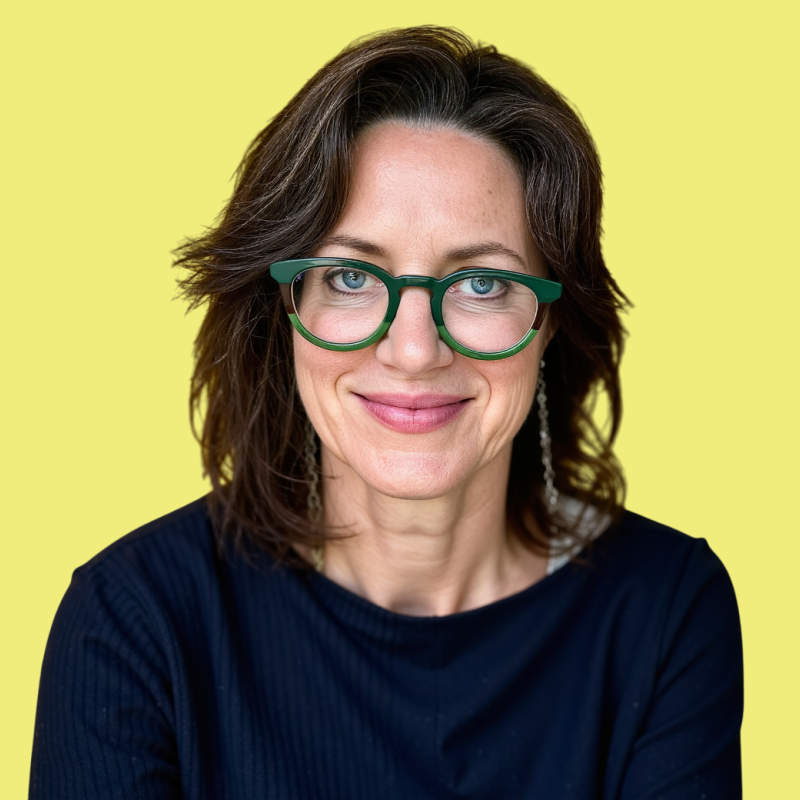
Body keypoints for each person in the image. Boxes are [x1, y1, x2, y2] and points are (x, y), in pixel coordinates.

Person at [30, 26, 743, 799]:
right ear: (284, 313)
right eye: (348, 277)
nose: (413, 350)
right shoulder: (134, 622)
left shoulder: (667, 610)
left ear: (549, 326)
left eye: (480, 285)